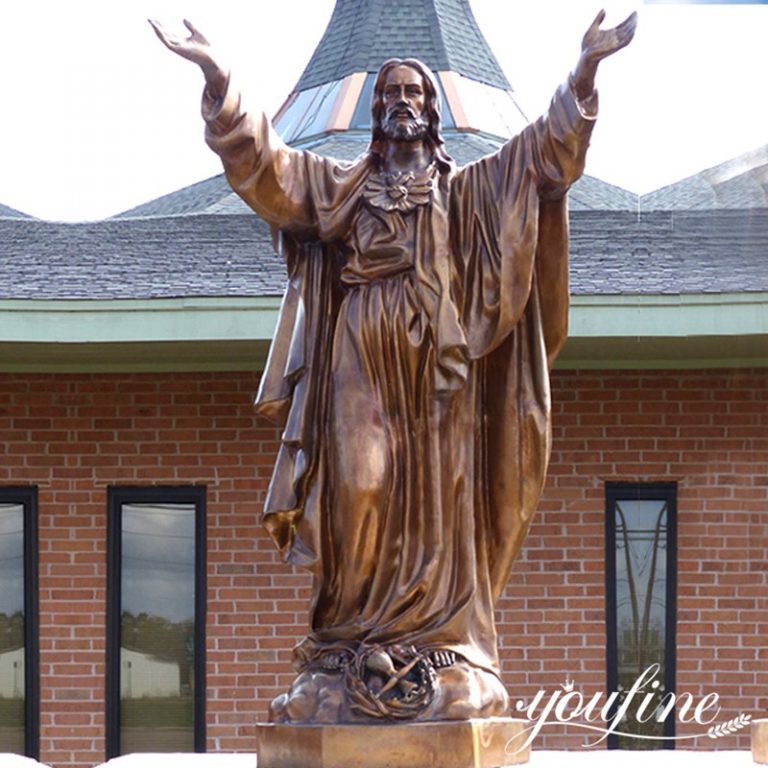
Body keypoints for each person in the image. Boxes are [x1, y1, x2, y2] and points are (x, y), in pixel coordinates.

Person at [152, 10, 636, 724]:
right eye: (387, 97)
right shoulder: (341, 186)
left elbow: (545, 156)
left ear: (431, 113)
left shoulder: (468, 188)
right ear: (376, 116)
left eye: (412, 94)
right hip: (361, 350)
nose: (400, 104)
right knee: (361, 480)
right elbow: (270, 170)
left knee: (442, 501)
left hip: (441, 369)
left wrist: (586, 70)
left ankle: (442, 645)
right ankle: (349, 643)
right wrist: (220, 83)